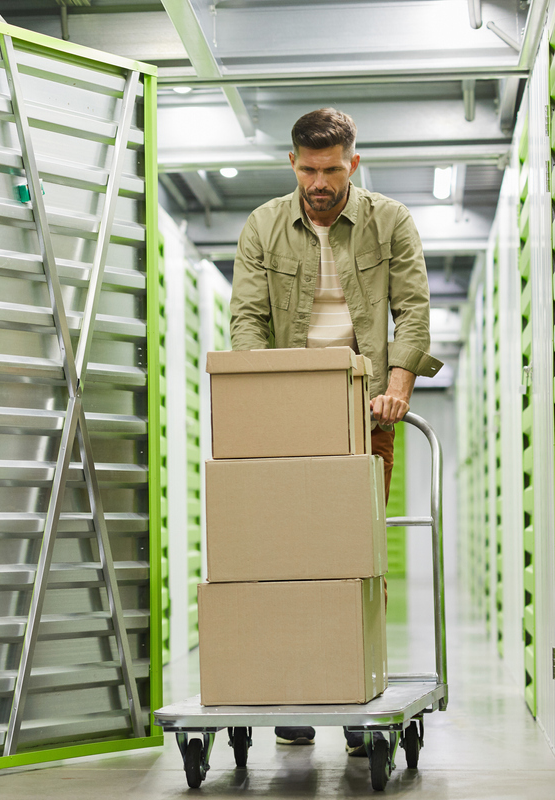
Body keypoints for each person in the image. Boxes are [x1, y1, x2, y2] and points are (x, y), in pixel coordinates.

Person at [229, 107, 442, 756]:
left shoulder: (390, 220)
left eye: (332, 169)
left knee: (358, 558)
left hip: (366, 403)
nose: (319, 182)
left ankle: (355, 689)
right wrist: (260, 400)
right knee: (284, 557)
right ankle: (296, 690)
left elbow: (413, 307)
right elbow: (246, 319)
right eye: (308, 169)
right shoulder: (263, 226)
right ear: (291, 163)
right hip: (289, 405)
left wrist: (399, 385)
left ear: (353, 162)